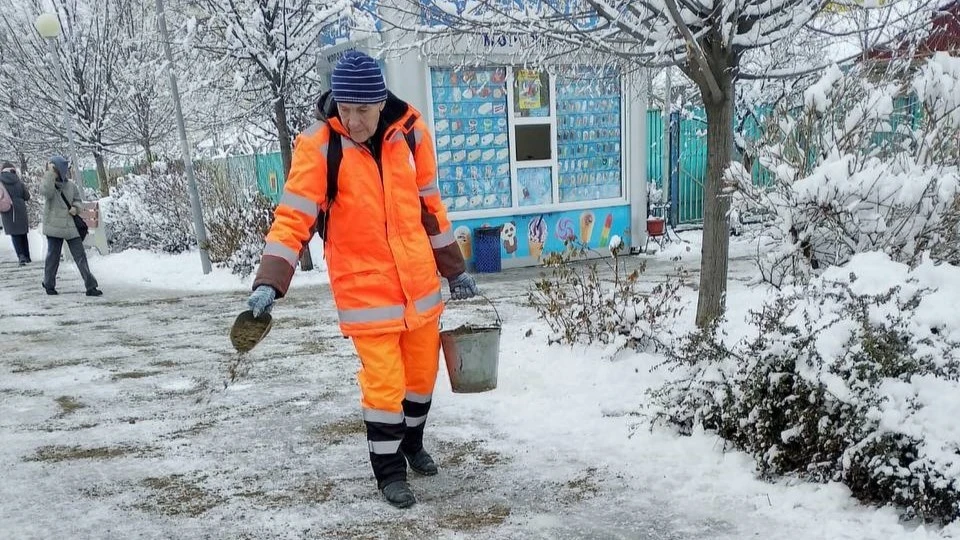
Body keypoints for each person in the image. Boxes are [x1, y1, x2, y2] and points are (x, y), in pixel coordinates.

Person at [248, 51, 478, 509]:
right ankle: (389, 473)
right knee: (385, 385)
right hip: (366, 293)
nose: (351, 120)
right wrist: (269, 282)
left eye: (362, 110)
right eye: (344, 109)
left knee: (421, 379)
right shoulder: (319, 147)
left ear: (381, 103)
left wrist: (454, 270)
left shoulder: (412, 135)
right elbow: (294, 217)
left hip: (419, 286)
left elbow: (431, 209)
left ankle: (412, 445)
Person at [41, 155, 101, 296]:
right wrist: (49, 174)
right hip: (54, 227)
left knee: (80, 255)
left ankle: (90, 286)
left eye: (55, 168)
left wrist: (76, 207)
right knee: (53, 256)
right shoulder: (48, 182)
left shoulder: (71, 185)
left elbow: (78, 201)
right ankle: (49, 284)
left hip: (70, 226)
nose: (54, 171)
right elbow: (46, 193)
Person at [1, 162, 31, 265]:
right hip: (20, 208)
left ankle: (20, 255)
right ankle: (27, 256)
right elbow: (27, 196)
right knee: (23, 233)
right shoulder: (18, 180)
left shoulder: (0, 181)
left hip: (8, 209)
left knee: (14, 234)